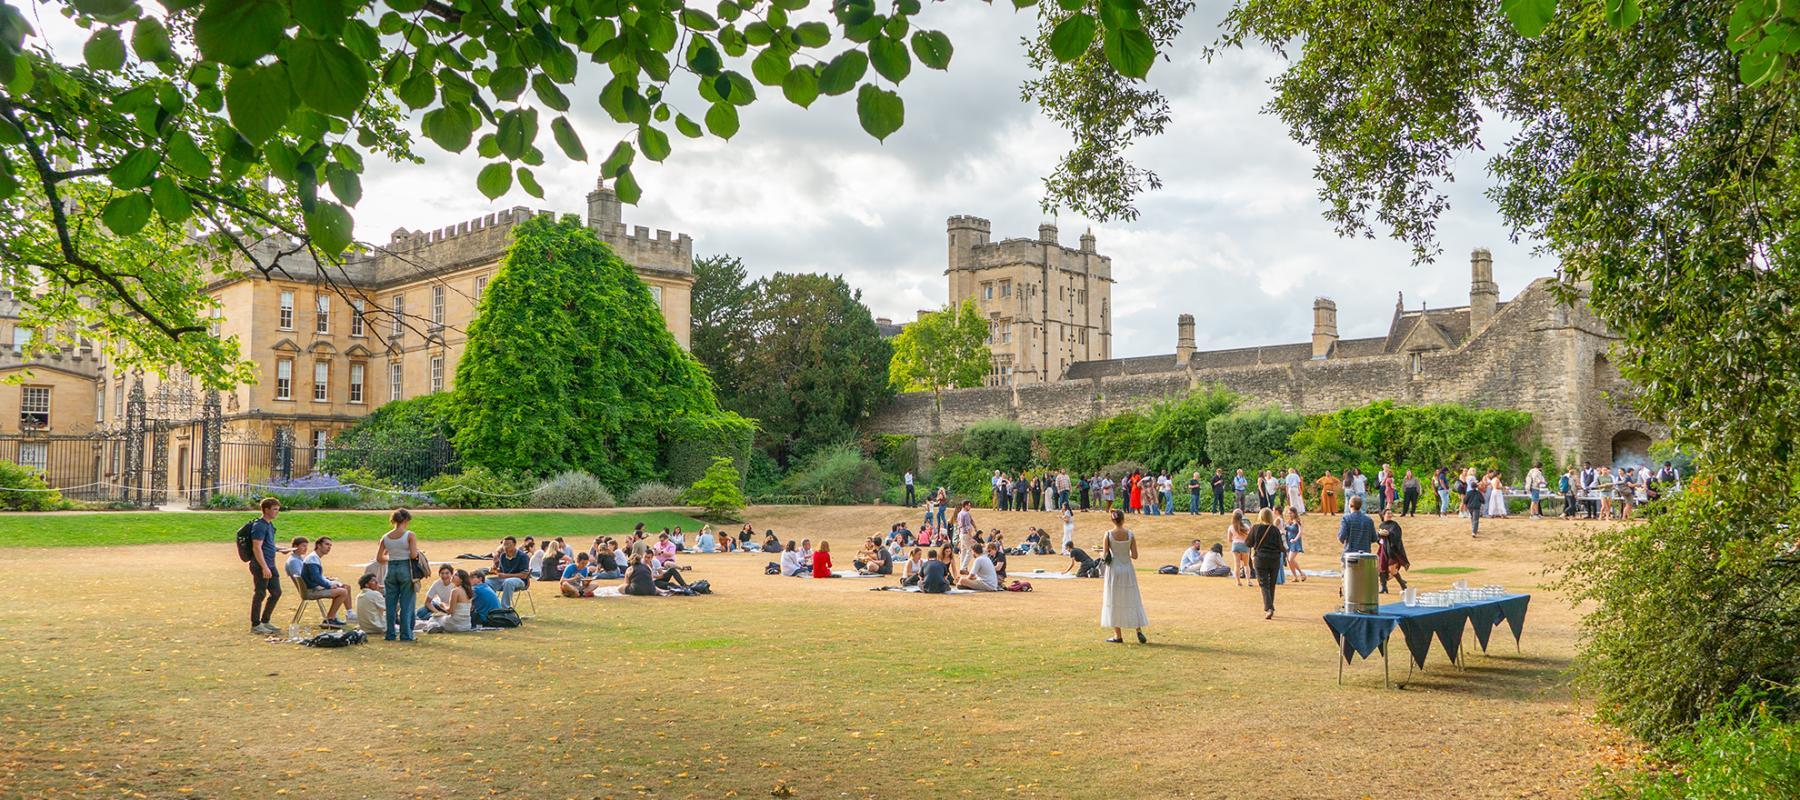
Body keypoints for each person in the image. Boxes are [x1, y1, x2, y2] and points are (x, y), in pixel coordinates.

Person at [1098, 509, 1148, 643]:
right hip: (1127, 568)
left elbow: (1105, 555)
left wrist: (1100, 553)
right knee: (1132, 598)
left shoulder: (1108, 534)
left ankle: (1117, 634)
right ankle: (1138, 630)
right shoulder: (1130, 534)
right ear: (1123, 519)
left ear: (1112, 520)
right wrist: (1125, 552)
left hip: (1114, 569)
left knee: (1114, 599)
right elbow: (1135, 555)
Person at [374, 508, 420, 642]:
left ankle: (390, 634)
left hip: (391, 569)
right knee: (406, 603)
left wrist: (392, 557)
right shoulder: (409, 535)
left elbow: (379, 558)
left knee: (390, 605)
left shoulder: (385, 537)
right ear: (405, 520)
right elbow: (413, 555)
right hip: (405, 568)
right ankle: (406, 634)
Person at [246, 497, 283, 635]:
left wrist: (279, 549)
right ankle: (256, 624)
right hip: (261, 565)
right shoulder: (259, 526)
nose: (277, 512)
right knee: (260, 593)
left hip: (270, 564)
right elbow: (256, 547)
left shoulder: (269, 525)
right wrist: (264, 567)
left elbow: (267, 545)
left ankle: (265, 621)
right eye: (274, 509)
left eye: (278, 509)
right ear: (266, 510)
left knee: (276, 592)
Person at [1248, 508, 1287, 619]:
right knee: (1271, 584)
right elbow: (1281, 546)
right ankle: (1270, 607)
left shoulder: (1255, 528)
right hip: (1274, 559)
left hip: (1260, 558)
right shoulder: (1275, 530)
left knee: (1264, 584)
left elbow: (1248, 543)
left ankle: (1269, 608)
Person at [490, 536, 531, 609]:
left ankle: (504, 609)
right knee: (487, 582)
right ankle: (493, 606)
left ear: (514, 544)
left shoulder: (523, 556)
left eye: (508, 544)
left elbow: (524, 575)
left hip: (520, 581)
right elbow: (501, 571)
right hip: (504, 580)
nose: (506, 547)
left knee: (509, 582)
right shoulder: (503, 556)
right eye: (504, 545)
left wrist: (505, 576)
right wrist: (494, 569)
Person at [1376, 510, 1410, 594]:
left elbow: (1397, 536)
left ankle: (1403, 586)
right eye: (1388, 513)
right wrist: (1379, 534)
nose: (1390, 514)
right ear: (1383, 515)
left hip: (1392, 550)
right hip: (1383, 549)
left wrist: (1389, 534)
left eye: (1391, 513)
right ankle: (1384, 588)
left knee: (1392, 569)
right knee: (1381, 567)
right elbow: (1379, 539)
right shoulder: (1381, 525)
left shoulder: (1395, 525)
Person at [1227, 510, 1252, 586]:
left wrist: (1235, 540)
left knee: (1237, 565)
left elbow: (1229, 539)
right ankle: (1248, 581)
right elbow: (1249, 537)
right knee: (1246, 564)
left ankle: (1238, 582)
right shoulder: (1246, 526)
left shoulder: (1231, 527)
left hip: (1235, 545)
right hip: (1244, 545)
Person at [1283, 508, 1306, 582]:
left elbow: (1300, 532)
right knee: (1289, 560)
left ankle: (1301, 573)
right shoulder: (1289, 521)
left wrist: (1295, 539)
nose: (1289, 514)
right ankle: (1295, 577)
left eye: (1291, 513)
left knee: (1291, 559)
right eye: (1289, 513)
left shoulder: (1298, 521)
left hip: (1295, 542)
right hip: (1289, 542)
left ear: (1295, 513)